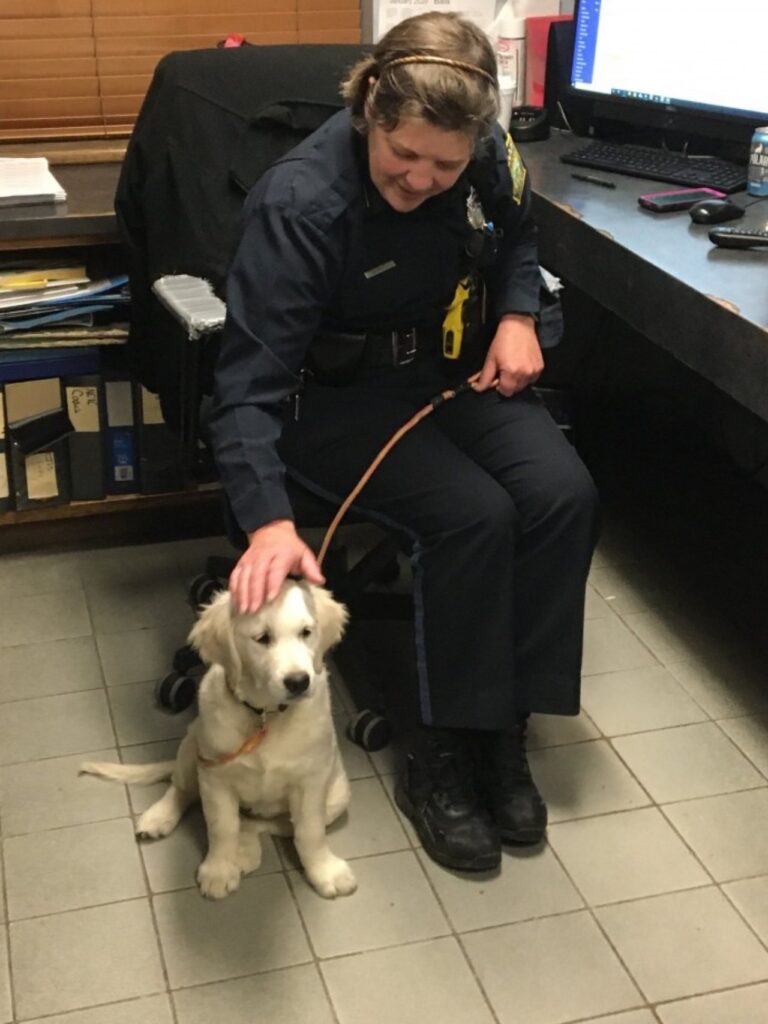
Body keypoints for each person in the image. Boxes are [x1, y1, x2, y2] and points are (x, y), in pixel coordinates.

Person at [209, 12, 600, 872]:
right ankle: (443, 751)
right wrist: (271, 523)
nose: (422, 179)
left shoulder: (487, 155)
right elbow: (245, 386)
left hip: (453, 366)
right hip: (331, 400)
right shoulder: (302, 202)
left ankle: (503, 729)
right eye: (404, 156)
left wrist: (517, 314)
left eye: (444, 165)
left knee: (561, 496)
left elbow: (520, 236)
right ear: (370, 112)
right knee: (473, 516)